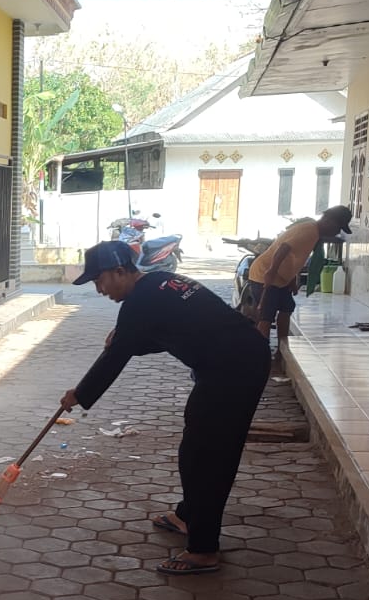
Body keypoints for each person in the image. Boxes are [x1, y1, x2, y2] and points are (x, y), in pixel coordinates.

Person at [60, 240, 269, 575]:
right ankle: (188, 516)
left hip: (233, 369)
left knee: (207, 457)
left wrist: (80, 395)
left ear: (119, 271)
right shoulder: (158, 286)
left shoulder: (140, 301)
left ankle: (203, 550)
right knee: (196, 449)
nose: (99, 290)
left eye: (99, 281)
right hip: (238, 360)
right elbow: (167, 334)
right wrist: (126, 339)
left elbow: (115, 359)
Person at [241, 205, 352, 347]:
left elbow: (292, 257)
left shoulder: (313, 232)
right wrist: (271, 272)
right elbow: (283, 249)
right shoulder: (309, 231)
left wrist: (291, 280)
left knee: (286, 307)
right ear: (329, 221)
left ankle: (282, 349)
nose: (336, 232)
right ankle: (262, 355)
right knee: (266, 316)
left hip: (280, 279)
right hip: (265, 275)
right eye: (337, 228)